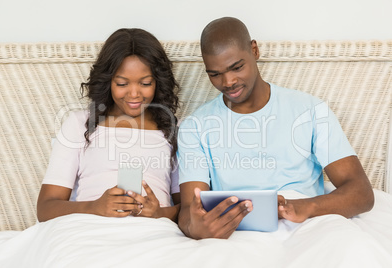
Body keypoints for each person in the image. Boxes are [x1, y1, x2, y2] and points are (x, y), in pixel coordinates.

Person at [177, 17, 374, 239]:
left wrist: (304, 207)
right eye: (215, 74)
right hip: (237, 233)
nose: (228, 81)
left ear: (255, 50)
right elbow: (187, 210)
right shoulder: (195, 127)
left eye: (237, 67)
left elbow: (361, 192)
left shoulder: (309, 110)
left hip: (307, 228)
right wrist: (196, 228)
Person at [37, 28, 181, 222]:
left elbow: (189, 210)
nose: (133, 94)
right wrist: (94, 207)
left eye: (145, 83)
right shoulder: (80, 124)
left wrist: (160, 213)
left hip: (152, 232)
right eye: (122, 84)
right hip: (90, 229)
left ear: (158, 82)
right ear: (108, 82)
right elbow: (46, 209)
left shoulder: (172, 130)